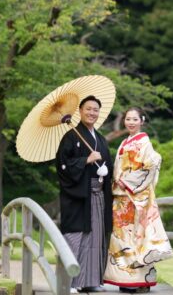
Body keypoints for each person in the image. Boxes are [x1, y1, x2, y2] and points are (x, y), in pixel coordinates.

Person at [104, 107, 173, 294]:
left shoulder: (144, 142)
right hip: (121, 197)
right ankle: (126, 280)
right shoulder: (125, 142)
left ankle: (138, 281)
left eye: (135, 119)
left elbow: (151, 165)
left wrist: (126, 181)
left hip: (133, 196)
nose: (131, 122)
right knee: (121, 238)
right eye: (128, 119)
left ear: (142, 121)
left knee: (136, 238)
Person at [55, 95, 113, 293]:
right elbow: (62, 165)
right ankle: (69, 282)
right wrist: (85, 161)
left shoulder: (101, 139)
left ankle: (90, 281)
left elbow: (107, 165)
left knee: (95, 238)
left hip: (98, 195)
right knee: (76, 237)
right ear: (80, 111)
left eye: (95, 109)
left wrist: (105, 174)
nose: (92, 113)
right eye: (88, 109)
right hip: (78, 197)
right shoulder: (71, 137)